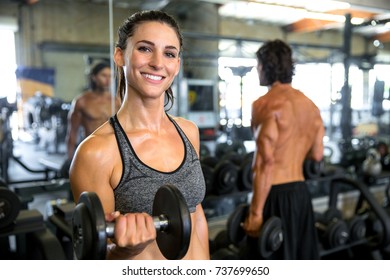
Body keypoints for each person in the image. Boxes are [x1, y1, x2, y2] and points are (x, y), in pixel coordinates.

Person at [69, 10, 209, 260]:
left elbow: (196, 216)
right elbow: (93, 258)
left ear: (176, 65)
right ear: (119, 54)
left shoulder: (189, 132)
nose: (158, 63)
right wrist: (124, 250)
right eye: (145, 49)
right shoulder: (97, 152)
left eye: (169, 53)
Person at [242, 39, 325, 259]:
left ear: (266, 67)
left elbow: (265, 162)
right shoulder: (311, 106)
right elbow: (317, 155)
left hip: (274, 195)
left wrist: (256, 213)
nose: (257, 70)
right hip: (300, 194)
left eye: (258, 65)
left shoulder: (264, 104)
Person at [65, 62, 121, 161]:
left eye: (111, 76)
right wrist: (69, 158)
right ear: (94, 77)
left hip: (112, 152)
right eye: (103, 75)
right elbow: (72, 132)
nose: (108, 80)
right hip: (90, 151)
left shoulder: (116, 102)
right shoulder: (82, 101)